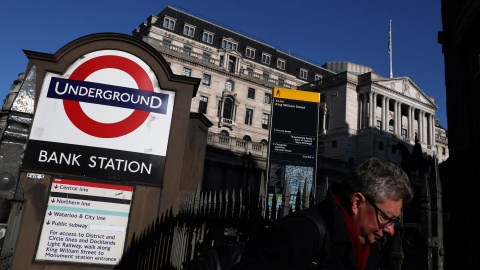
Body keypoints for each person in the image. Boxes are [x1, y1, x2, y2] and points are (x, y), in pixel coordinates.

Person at [232, 157, 414, 270]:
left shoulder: (370, 247)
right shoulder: (299, 234)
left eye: (393, 221)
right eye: (386, 218)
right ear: (357, 203)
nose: (390, 230)